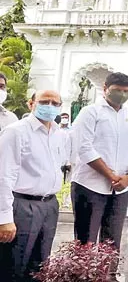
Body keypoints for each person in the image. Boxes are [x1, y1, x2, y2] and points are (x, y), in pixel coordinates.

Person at [71, 72, 128, 255]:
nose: (121, 94)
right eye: (116, 90)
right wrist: (111, 175)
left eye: (125, 91)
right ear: (105, 89)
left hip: (121, 188)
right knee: (85, 241)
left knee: (112, 241)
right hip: (89, 185)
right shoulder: (90, 112)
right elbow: (84, 148)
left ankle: (109, 276)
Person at [0, 90, 67, 281]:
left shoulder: (58, 134)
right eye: (45, 101)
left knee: (40, 264)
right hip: (22, 206)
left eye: (55, 103)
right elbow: (3, 176)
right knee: (14, 264)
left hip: (49, 206)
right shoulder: (16, 132)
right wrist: (4, 217)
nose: (50, 106)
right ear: (31, 104)